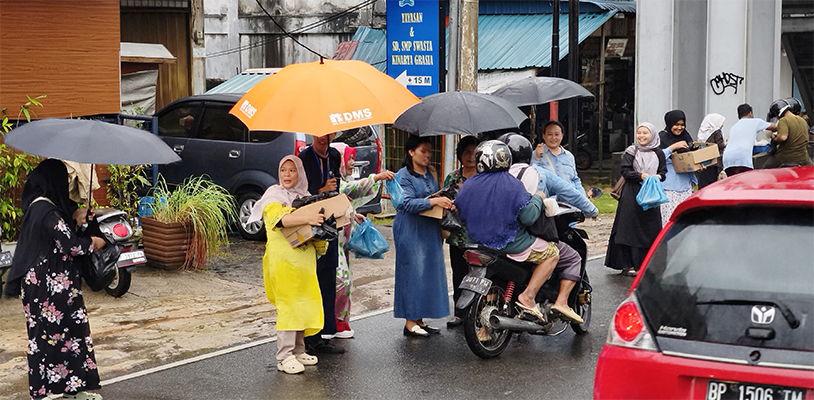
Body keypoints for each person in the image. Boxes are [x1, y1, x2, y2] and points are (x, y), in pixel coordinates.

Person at [3, 159, 107, 400]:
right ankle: (41, 393)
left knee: (70, 335)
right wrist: (95, 242)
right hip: (46, 286)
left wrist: (78, 217)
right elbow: (71, 246)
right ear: (54, 181)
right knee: (45, 337)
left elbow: (60, 235)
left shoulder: (43, 206)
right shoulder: (45, 211)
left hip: (54, 284)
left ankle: (73, 389)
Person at [456, 140, 583, 324]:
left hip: (475, 243)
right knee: (553, 253)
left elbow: (461, 213)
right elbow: (528, 217)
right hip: (508, 242)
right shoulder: (511, 184)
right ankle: (528, 297)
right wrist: (538, 198)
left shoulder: (469, 184)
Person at [500, 133, 596, 319]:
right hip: (525, 236)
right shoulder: (540, 174)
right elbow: (572, 194)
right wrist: (591, 210)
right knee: (569, 256)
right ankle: (557, 302)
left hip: (492, 237)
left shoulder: (495, 176)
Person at [246, 156, 326, 374]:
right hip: (283, 261)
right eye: (284, 170)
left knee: (302, 303)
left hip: (304, 261)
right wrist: (308, 218)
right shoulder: (274, 195)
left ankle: (299, 350)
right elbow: (279, 220)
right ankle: (284, 355)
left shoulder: (306, 197)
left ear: (300, 173)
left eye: (292, 170)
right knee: (289, 306)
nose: (287, 175)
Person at [329, 142, 395, 338]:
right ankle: (334, 323)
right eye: (348, 158)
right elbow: (351, 188)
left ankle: (340, 322)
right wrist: (376, 177)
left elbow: (344, 199)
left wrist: (354, 214)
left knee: (344, 282)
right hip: (332, 244)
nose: (352, 163)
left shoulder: (338, 182)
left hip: (342, 243)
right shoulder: (336, 183)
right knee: (341, 280)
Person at [393, 135, 452, 338]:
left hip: (428, 227)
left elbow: (433, 196)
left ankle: (419, 320)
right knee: (412, 274)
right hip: (410, 228)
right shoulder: (403, 175)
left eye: (429, 151)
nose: (428, 155)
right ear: (411, 152)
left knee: (427, 273)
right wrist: (435, 203)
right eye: (423, 151)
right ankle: (410, 322)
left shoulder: (429, 173)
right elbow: (405, 203)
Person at [297, 134, 345, 354]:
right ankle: (309, 336)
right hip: (311, 227)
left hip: (330, 225)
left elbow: (338, 188)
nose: (323, 138)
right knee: (312, 280)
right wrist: (321, 190)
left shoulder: (335, 155)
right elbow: (299, 196)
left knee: (328, 278)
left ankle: (324, 333)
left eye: (328, 134)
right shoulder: (304, 157)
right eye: (318, 134)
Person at [606, 123, 667, 276]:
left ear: (652, 135)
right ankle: (628, 264)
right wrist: (640, 175)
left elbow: (663, 172)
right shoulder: (631, 151)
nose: (641, 136)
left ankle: (647, 262)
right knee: (629, 229)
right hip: (632, 193)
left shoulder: (658, 153)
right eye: (639, 133)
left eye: (645, 133)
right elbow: (625, 171)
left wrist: (658, 177)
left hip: (651, 195)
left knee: (650, 228)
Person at [441, 135, 479, 328]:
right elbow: (443, 199)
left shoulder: (484, 176)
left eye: (473, 153)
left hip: (479, 235)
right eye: (466, 152)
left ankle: (478, 312)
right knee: (459, 274)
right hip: (458, 236)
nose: (470, 157)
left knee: (479, 275)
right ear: (459, 155)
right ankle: (460, 313)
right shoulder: (453, 177)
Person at [658, 110, 697, 226]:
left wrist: (697, 167)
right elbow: (657, 157)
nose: (679, 128)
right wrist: (673, 147)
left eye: (682, 125)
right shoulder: (662, 137)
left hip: (685, 186)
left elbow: (689, 157)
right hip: (669, 188)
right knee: (669, 221)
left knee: (685, 220)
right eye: (676, 125)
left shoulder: (686, 136)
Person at [531, 120, 587, 195]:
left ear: (562, 135)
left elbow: (575, 180)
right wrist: (537, 158)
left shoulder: (569, 156)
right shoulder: (535, 154)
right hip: (548, 202)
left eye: (557, 134)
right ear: (543, 136)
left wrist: (583, 197)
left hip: (569, 201)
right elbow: (532, 178)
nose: (554, 138)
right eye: (550, 134)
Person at [722, 104, 777, 176]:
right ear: (750, 113)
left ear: (739, 116)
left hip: (727, 160)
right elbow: (774, 127)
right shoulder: (756, 122)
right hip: (742, 159)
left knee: (735, 185)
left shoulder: (734, 127)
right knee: (745, 184)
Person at [764, 99, 813, 168]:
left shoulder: (783, 120)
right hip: (803, 157)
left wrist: (774, 137)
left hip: (785, 157)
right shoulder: (802, 120)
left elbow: (783, 137)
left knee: (766, 169)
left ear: (777, 113)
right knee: (811, 170)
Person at [696, 113, 726, 188]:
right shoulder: (717, 132)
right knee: (712, 186)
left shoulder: (703, 132)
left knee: (703, 185)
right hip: (714, 162)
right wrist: (727, 143)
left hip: (703, 162)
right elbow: (720, 145)